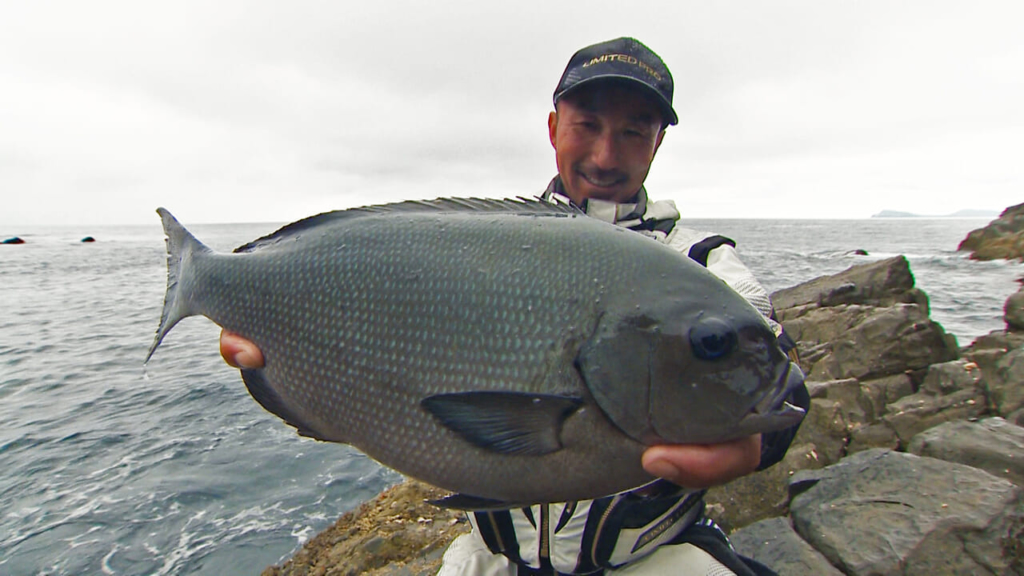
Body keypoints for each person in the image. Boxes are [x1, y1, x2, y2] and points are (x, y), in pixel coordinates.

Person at [220, 37, 808, 575]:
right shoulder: (481, 250)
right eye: (588, 125)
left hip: (655, 559)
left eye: (633, 131)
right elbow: (391, 354)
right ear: (554, 127)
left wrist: (759, 443)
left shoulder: (704, 267)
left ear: (658, 141)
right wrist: (293, 354)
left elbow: (780, 378)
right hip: (490, 559)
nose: (605, 155)